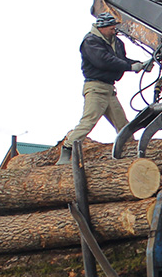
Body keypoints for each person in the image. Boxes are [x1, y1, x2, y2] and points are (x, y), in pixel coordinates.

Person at [57, 13, 146, 165]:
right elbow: (104, 61)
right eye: (112, 28)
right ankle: (66, 150)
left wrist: (139, 64)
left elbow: (121, 60)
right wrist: (130, 67)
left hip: (110, 90)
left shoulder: (116, 42)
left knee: (123, 125)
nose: (114, 31)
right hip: (95, 88)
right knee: (88, 122)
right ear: (102, 27)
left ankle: (132, 155)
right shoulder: (90, 42)